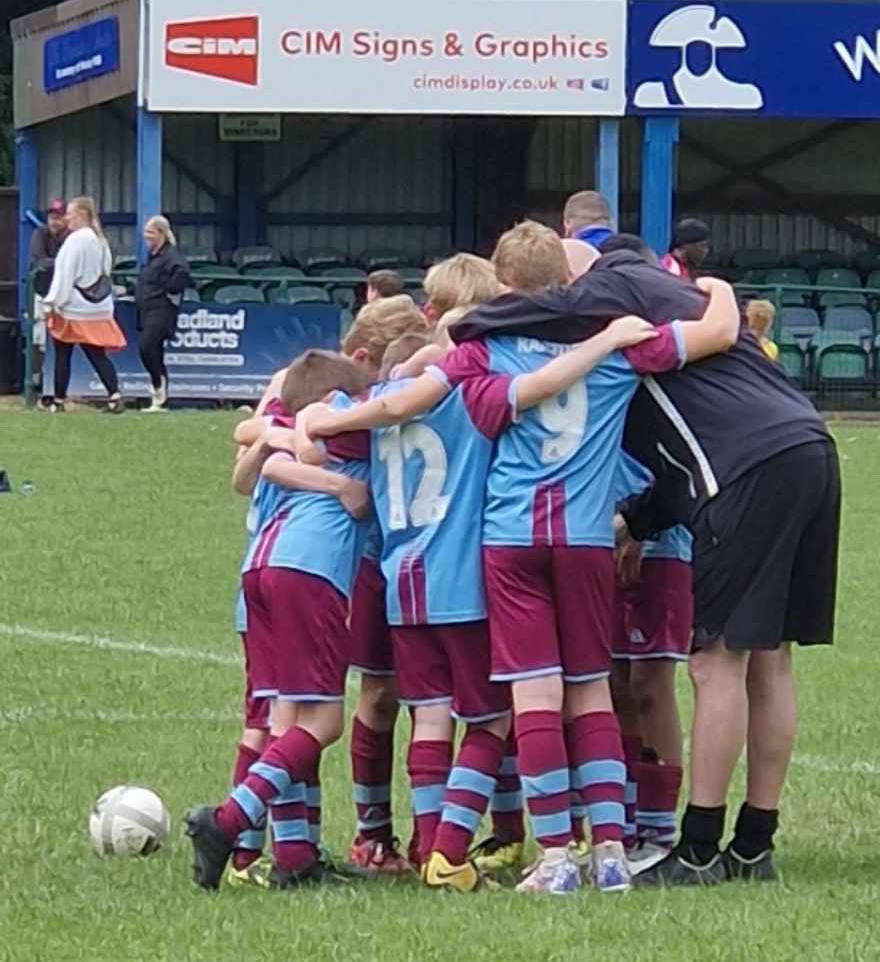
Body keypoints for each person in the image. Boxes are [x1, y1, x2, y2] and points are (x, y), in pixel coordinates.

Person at [301, 223, 740, 896]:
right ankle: (614, 848)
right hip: (588, 537)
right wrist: (716, 287)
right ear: (568, 285)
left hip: (510, 541)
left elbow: (419, 390)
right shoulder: (624, 344)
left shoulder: (485, 348)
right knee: (591, 686)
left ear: (504, 286)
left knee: (534, 694)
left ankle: (558, 853)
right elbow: (716, 333)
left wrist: (331, 420)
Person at [451, 244, 839, 887]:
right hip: (809, 447)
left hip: (744, 469)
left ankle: (698, 848)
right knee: (772, 657)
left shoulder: (611, 291)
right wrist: (636, 522)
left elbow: (518, 315)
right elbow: (673, 457)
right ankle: (753, 843)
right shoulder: (657, 307)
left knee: (716, 661)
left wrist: (465, 322)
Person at [184, 351, 375, 891]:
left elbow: (263, 454)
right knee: (324, 723)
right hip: (307, 571)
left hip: (263, 568)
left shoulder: (295, 422)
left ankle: (293, 858)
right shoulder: (353, 414)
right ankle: (228, 821)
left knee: (285, 719)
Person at [611, 453, 693, 855]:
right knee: (612, 684)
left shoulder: (657, 388)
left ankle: (659, 829)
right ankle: (624, 825)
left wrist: (640, 529)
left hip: (661, 543)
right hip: (598, 539)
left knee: (650, 685)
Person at [42, 196, 125, 414]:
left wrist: (52, 303)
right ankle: (115, 396)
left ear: (82, 215)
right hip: (98, 307)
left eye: (70, 213)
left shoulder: (75, 239)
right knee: (97, 354)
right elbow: (106, 273)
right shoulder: (100, 240)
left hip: (72, 307)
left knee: (62, 353)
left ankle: (58, 402)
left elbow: (64, 274)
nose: (66, 218)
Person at [135, 216, 191, 412]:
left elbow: (182, 274)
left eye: (150, 232)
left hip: (161, 310)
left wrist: (169, 289)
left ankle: (159, 387)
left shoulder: (171, 256)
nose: (146, 237)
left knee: (146, 345)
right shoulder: (153, 256)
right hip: (146, 309)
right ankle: (160, 396)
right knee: (154, 352)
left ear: (161, 233)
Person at [29, 199, 68, 395]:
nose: (55, 221)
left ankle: (55, 385)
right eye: (52, 217)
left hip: (64, 297)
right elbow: (40, 260)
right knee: (39, 339)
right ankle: (37, 381)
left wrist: (59, 263)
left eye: (59, 217)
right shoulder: (40, 233)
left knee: (62, 340)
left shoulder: (71, 236)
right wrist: (62, 263)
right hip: (42, 292)